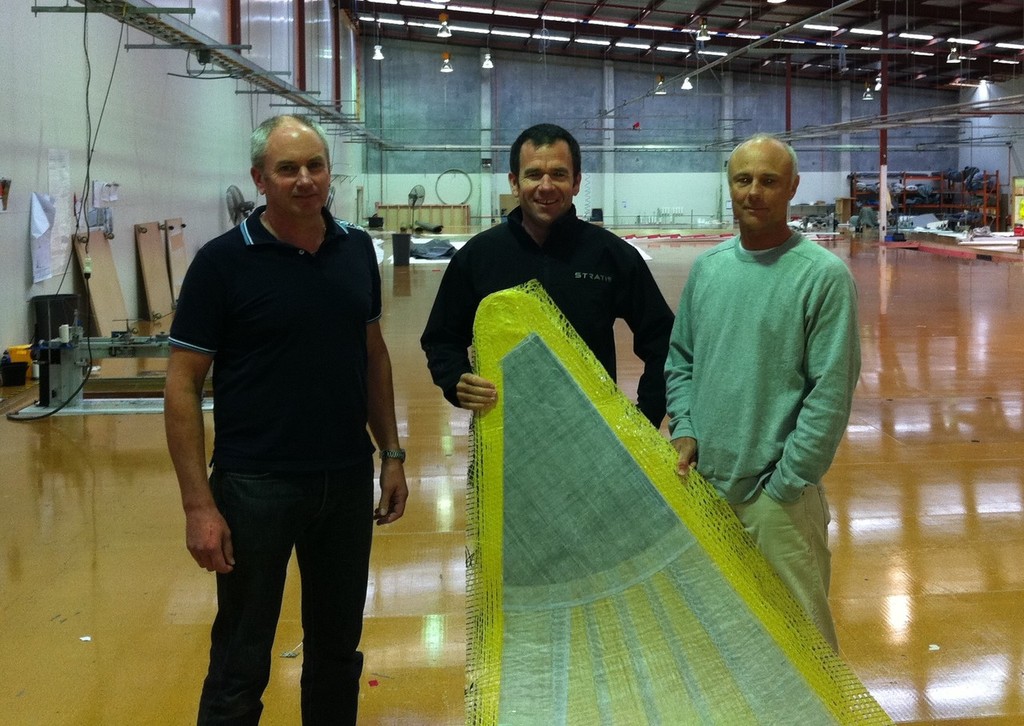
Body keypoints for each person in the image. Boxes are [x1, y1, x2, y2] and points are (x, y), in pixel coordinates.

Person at [164, 114, 409, 724]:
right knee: (241, 658)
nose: (305, 179)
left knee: (336, 652)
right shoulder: (222, 263)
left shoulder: (356, 250)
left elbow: (372, 356)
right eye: (287, 168)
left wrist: (392, 453)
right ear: (259, 179)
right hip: (255, 487)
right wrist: (200, 505)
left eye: (315, 166)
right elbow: (182, 384)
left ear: (329, 173)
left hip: (345, 479)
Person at [664, 134, 860, 651]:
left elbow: (830, 391)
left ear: (792, 187)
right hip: (705, 487)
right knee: (721, 640)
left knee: (803, 648)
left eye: (769, 181)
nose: (754, 192)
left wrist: (788, 483)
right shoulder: (709, 270)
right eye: (743, 179)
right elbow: (681, 360)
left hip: (779, 501)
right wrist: (684, 428)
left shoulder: (822, 277)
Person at [421, 123, 674, 425]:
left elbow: (663, 339)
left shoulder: (611, 256)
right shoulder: (479, 256)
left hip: (593, 436)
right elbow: (441, 338)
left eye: (558, 174)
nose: (545, 186)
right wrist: (455, 379)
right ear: (514, 183)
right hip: (503, 436)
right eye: (533, 174)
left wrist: (645, 416)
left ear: (576, 181)